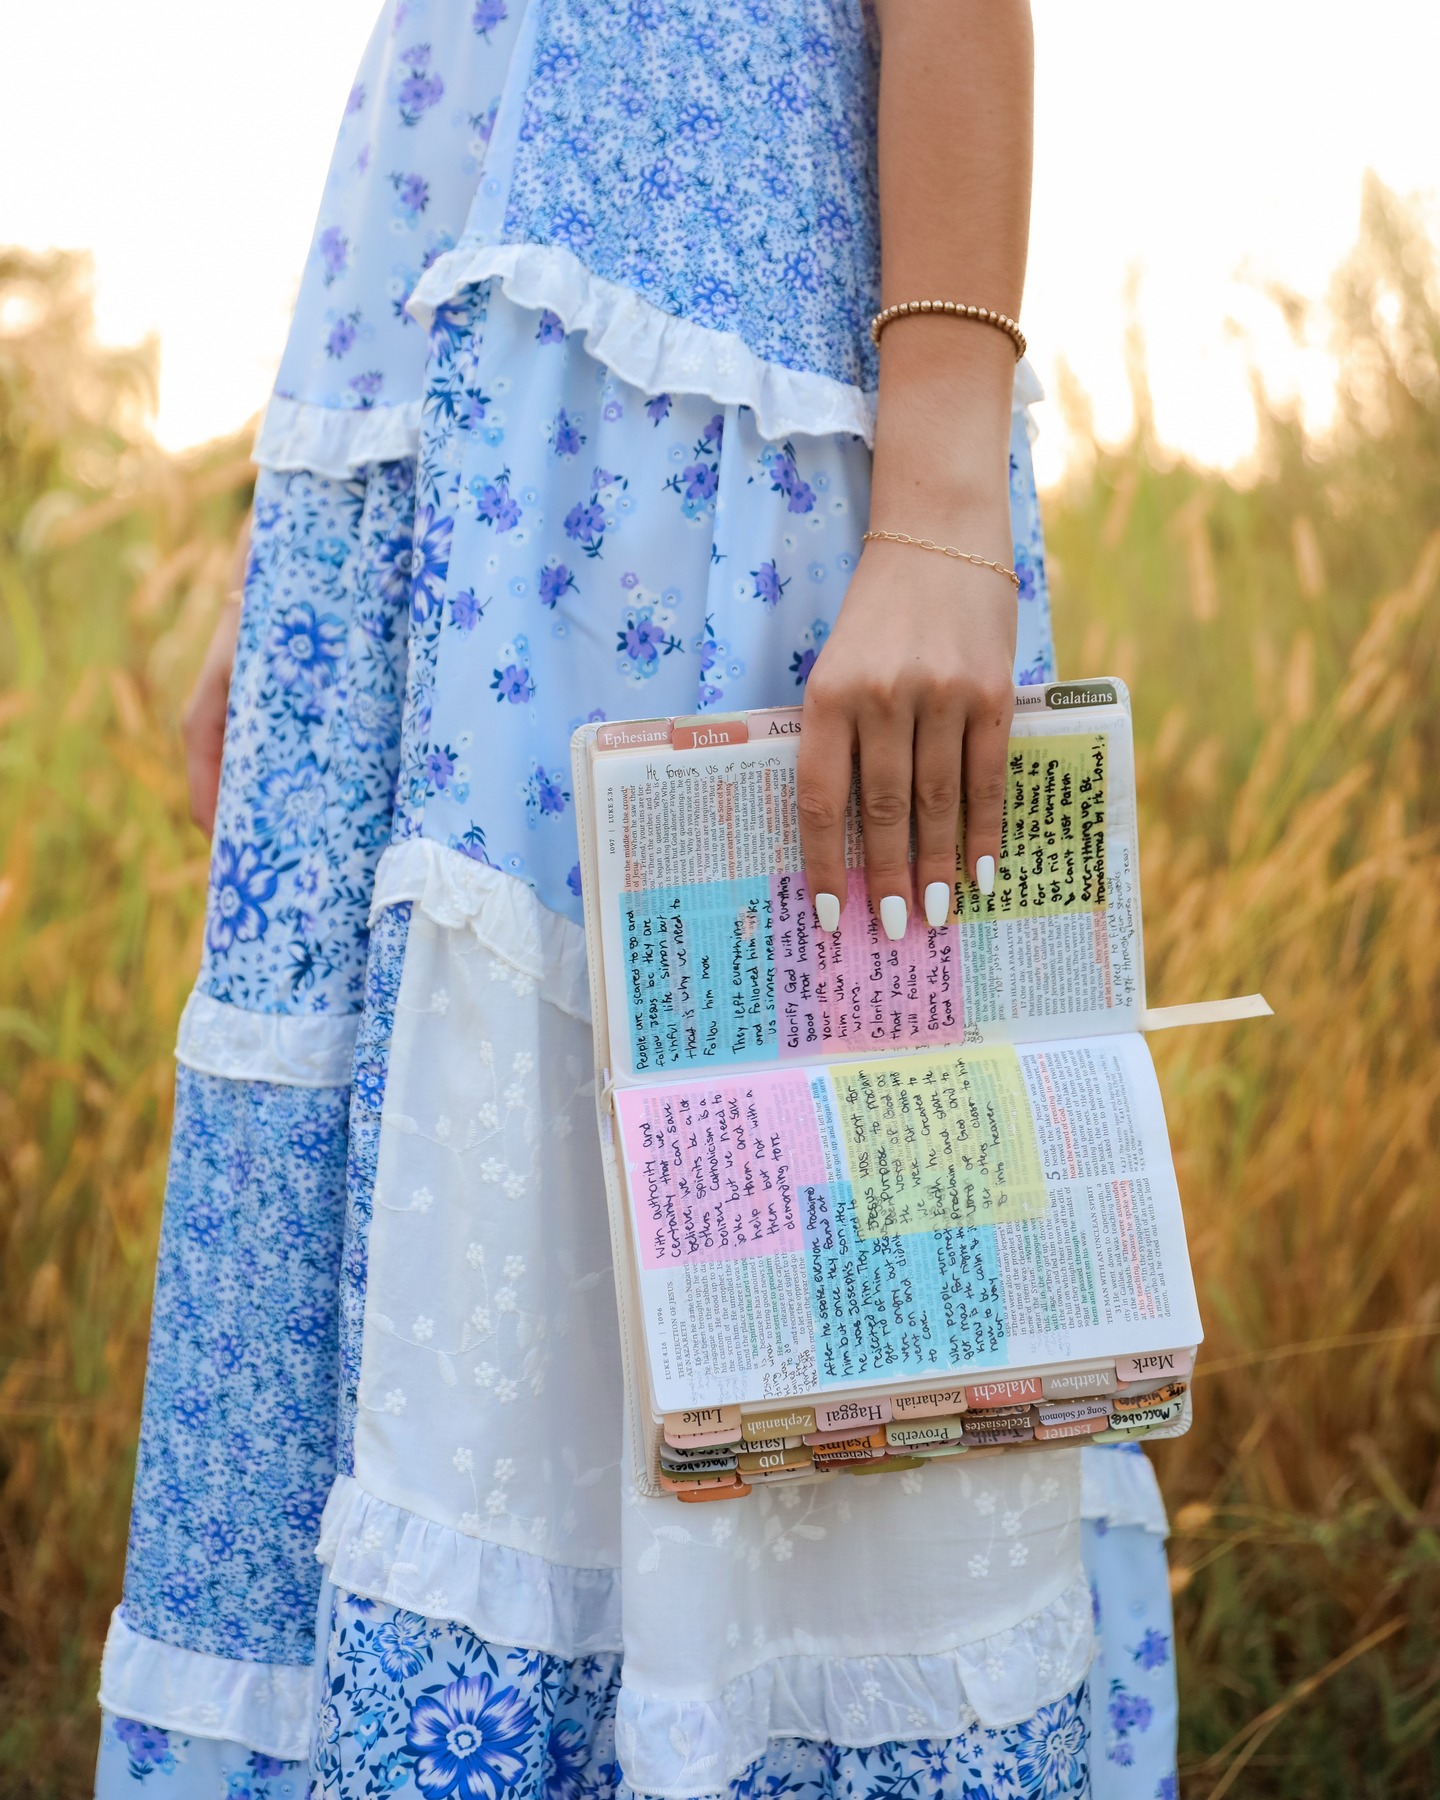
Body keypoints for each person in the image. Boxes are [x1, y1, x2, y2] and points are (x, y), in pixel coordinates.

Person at [96, 3, 1179, 1796]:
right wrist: (329, 524)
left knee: (778, 1235)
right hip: (454, 447)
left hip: (703, 414)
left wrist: (936, 499)